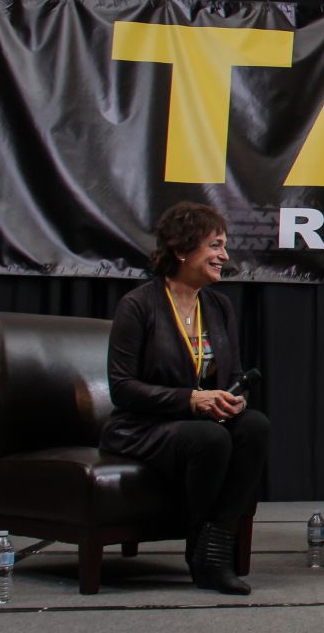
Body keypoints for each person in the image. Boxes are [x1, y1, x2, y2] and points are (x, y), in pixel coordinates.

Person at [101, 202, 269, 595]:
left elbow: (229, 376)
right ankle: (202, 550)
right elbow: (122, 387)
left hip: (201, 419)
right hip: (142, 426)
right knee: (210, 438)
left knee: (254, 426)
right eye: (215, 245)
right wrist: (191, 400)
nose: (224, 256)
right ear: (181, 250)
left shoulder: (218, 305)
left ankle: (215, 544)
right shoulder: (138, 306)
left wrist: (232, 400)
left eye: (224, 246)